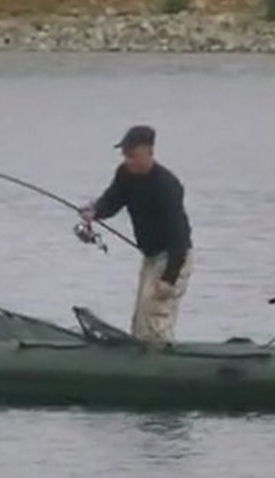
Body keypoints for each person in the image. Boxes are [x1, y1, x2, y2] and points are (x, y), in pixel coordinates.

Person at [80, 125, 194, 342]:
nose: (127, 160)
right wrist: (95, 212)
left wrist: (169, 279)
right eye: (125, 155)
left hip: (174, 258)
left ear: (149, 152)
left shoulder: (166, 186)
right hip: (151, 257)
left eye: (132, 155)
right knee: (140, 321)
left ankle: (161, 357)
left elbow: (179, 237)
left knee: (154, 318)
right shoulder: (125, 174)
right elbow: (112, 200)